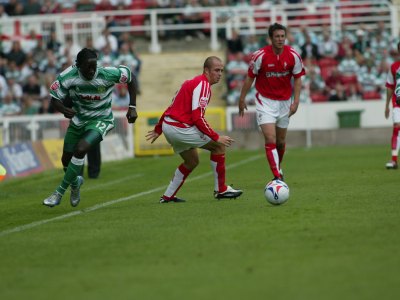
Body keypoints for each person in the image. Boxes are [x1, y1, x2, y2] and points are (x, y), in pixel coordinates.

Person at [43, 48, 138, 207]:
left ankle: (58, 193)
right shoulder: (68, 76)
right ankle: (75, 184)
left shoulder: (106, 74)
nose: (92, 70)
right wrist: (63, 109)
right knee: (65, 160)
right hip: (78, 120)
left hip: (102, 119)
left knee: (81, 149)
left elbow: (131, 77)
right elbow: (54, 98)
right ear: (78, 66)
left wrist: (133, 106)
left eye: (94, 65)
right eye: (88, 67)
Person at [146, 56, 243, 203]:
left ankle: (167, 196)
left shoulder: (191, 82)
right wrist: (216, 137)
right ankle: (221, 190)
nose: (220, 74)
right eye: (216, 70)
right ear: (206, 70)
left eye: (222, 71)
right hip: (180, 128)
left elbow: (171, 108)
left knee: (192, 161)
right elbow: (197, 117)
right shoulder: (203, 85)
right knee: (219, 146)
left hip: (169, 126)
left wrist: (159, 128)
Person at [238, 23, 305, 182]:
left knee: (281, 142)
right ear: (270, 38)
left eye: (283, 36)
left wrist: (296, 101)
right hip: (265, 101)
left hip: (284, 102)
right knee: (270, 139)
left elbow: (298, 79)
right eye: (277, 36)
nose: (280, 39)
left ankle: (278, 167)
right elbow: (250, 77)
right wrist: (242, 98)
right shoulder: (260, 55)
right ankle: (277, 177)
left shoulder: (294, 55)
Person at [384, 41, 400, 169]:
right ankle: (394, 160)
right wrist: (386, 105)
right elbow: (390, 86)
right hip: (398, 102)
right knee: (396, 127)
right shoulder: (394, 67)